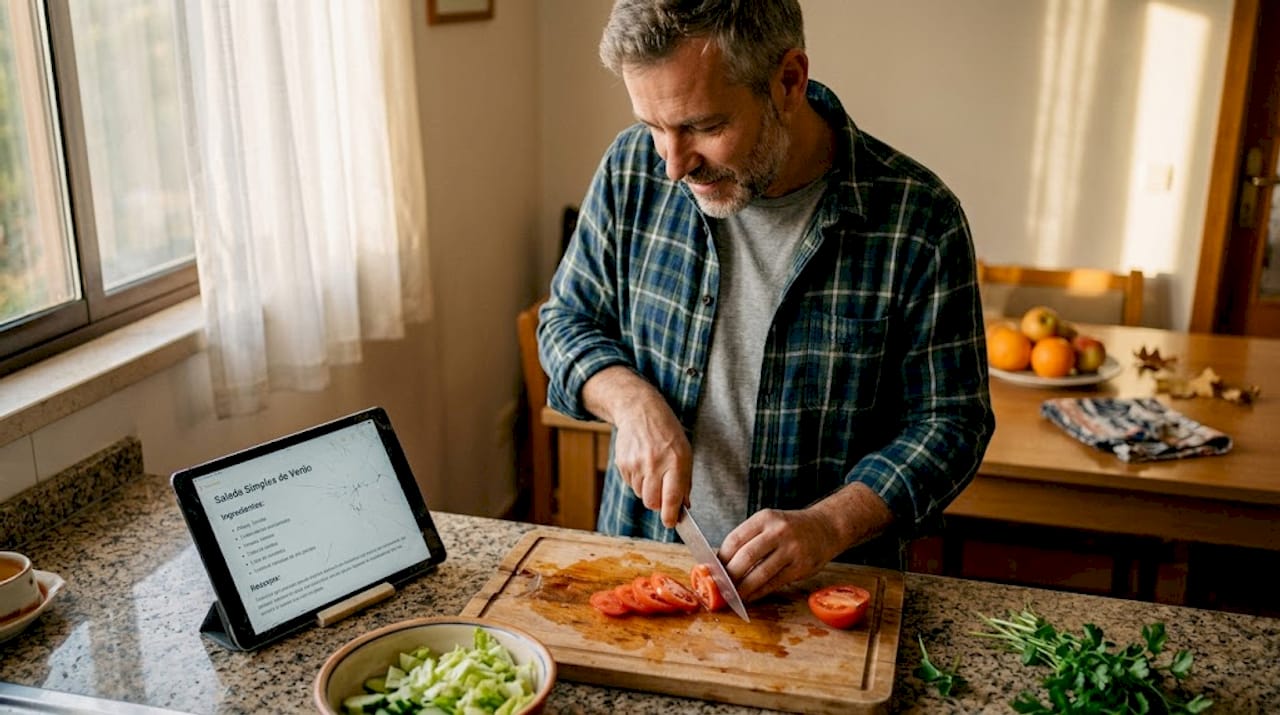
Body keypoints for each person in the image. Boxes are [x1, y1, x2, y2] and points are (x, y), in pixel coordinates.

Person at [537, 0, 994, 603]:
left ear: (788, 81)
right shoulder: (630, 170)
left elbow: (951, 423)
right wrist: (631, 402)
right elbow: (566, 320)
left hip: (827, 593)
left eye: (703, 126)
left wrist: (830, 524)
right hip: (646, 565)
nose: (673, 165)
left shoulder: (919, 219)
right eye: (654, 126)